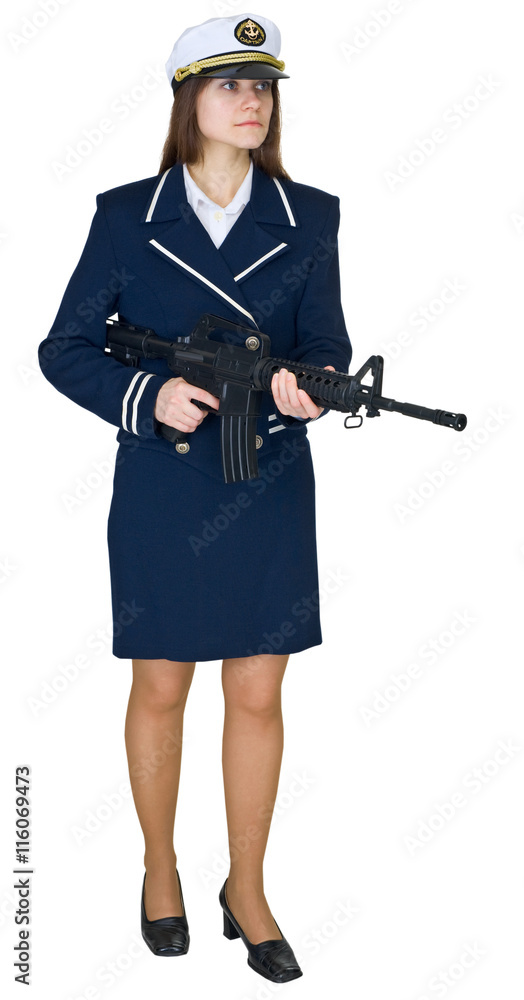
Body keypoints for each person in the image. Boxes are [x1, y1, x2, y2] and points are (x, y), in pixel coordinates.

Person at [38, 12, 352, 985]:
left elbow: (326, 341)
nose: (252, 102)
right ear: (189, 101)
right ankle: (160, 869)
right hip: (164, 482)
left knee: (257, 691)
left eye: (263, 86)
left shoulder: (311, 218)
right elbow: (65, 348)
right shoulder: (125, 216)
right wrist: (148, 397)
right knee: (162, 685)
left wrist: (310, 384)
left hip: (266, 480)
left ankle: (246, 887)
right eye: (230, 85)